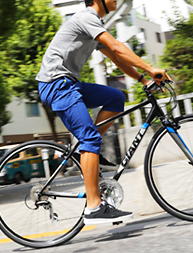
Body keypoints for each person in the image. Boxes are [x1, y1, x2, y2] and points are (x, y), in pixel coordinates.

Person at [36, 0, 169, 225]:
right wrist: (150, 68)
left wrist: (143, 80)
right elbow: (117, 47)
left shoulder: (94, 23)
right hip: (56, 85)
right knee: (89, 139)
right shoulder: (86, 17)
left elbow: (116, 56)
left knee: (115, 98)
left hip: (68, 83)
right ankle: (93, 207)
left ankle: (87, 152)